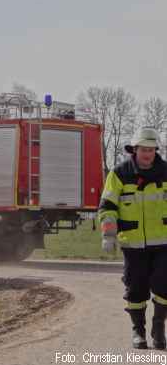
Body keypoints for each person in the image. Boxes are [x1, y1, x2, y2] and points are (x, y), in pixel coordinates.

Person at [99, 127, 167, 350]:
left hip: (163, 242)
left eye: (151, 149)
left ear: (156, 150)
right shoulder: (119, 173)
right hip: (132, 243)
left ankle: (158, 328)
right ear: (135, 149)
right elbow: (108, 206)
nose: (147, 153)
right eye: (143, 149)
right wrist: (109, 235)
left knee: (164, 286)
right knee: (136, 288)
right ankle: (138, 331)